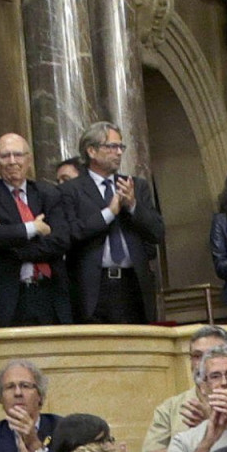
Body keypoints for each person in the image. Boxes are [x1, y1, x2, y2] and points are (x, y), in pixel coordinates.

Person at [57, 119, 164, 324]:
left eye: (120, 146)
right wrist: (109, 213)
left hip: (133, 284)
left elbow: (157, 232)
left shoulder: (135, 186)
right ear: (92, 151)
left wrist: (132, 205)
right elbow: (70, 234)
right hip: (93, 287)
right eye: (112, 146)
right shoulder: (70, 190)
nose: (119, 152)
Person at [0, 131, 68, 328]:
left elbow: (61, 241)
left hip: (49, 294)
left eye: (18, 155)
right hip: (8, 299)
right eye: (5, 156)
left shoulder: (49, 193)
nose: (12, 161)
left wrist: (9, 243)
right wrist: (34, 228)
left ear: (28, 159)